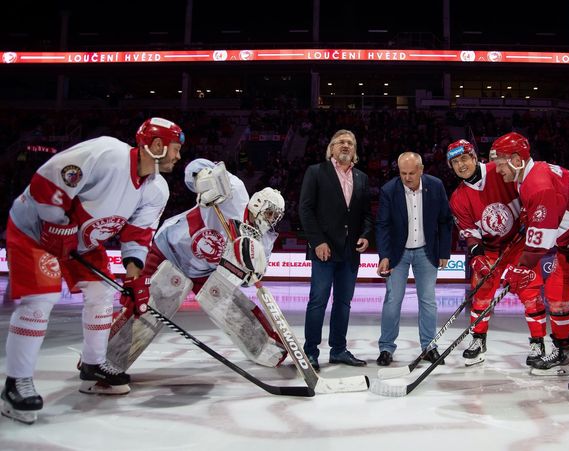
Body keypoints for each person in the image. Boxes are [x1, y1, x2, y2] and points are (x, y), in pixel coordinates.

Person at [2, 117, 184, 424]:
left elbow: (136, 236)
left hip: (81, 242)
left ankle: (93, 365)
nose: (178, 156)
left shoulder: (157, 191)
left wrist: (134, 277)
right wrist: (56, 223)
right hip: (34, 230)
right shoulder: (106, 154)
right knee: (41, 299)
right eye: (175, 149)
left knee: (102, 293)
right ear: (155, 146)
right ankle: (15, 384)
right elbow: (47, 181)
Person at [105, 158, 287, 371]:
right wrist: (203, 178)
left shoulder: (264, 241)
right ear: (258, 202)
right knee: (142, 302)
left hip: (205, 271)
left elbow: (249, 281)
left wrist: (249, 270)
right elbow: (195, 167)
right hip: (170, 249)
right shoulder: (235, 191)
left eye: (276, 217)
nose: (271, 219)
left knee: (225, 299)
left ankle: (266, 346)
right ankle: (104, 358)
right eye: (269, 212)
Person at [490, 131, 569, 402]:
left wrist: (521, 267)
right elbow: (537, 223)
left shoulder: (539, 183)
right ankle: (563, 352)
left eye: (500, 162)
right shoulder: (527, 177)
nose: (497, 168)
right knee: (556, 297)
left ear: (516, 159)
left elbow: (541, 239)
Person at [446, 140, 547, 366]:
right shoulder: (458, 198)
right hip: (491, 249)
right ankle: (478, 340)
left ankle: (538, 343)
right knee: (480, 294)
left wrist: (528, 211)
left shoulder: (498, 170)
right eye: (455, 162)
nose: (461, 165)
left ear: (474, 157)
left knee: (531, 296)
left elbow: (527, 188)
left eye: (464, 158)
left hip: (520, 244)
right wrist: (478, 256)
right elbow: (470, 232)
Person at [298, 129, 373, 370]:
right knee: (318, 301)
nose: (345, 145)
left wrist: (365, 235)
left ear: (355, 150)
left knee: (343, 303)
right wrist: (317, 241)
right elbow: (305, 210)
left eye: (350, 142)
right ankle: (310, 352)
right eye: (340, 141)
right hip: (324, 250)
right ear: (331, 148)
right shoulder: (316, 172)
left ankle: (338, 350)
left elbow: (366, 215)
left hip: (350, 252)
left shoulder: (361, 177)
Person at [375, 152, 453, 367]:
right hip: (397, 254)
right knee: (393, 301)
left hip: (427, 252)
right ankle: (386, 348)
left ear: (421, 169)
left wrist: (445, 252)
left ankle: (429, 347)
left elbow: (446, 221)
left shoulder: (435, 186)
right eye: (403, 173)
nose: (407, 178)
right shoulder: (389, 190)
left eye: (411, 173)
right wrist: (384, 256)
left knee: (428, 301)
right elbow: (382, 225)